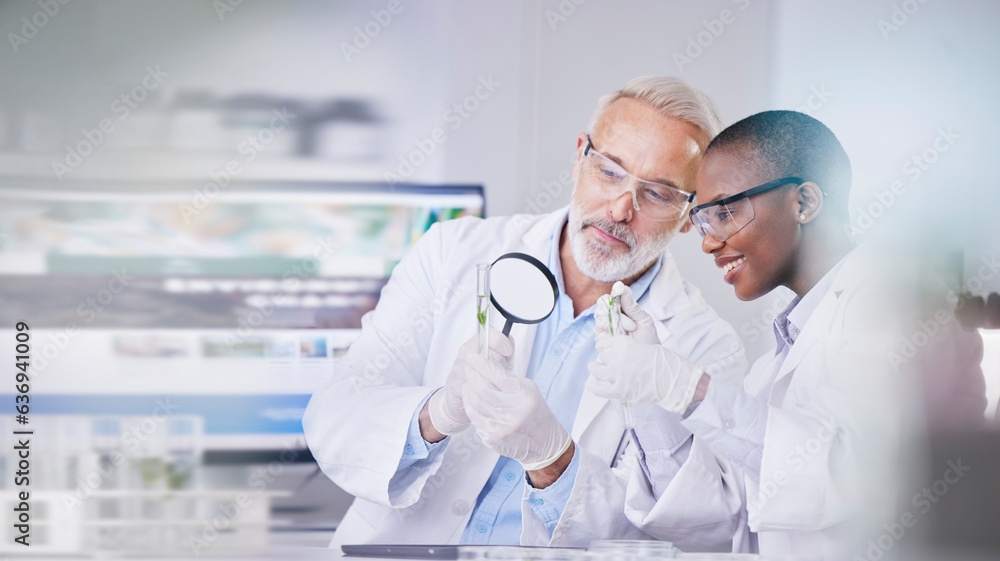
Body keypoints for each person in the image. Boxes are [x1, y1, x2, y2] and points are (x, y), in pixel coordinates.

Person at [302, 76, 748, 549]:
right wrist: (437, 413)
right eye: (610, 171)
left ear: (688, 215)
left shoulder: (705, 348)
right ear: (579, 156)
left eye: (657, 194)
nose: (621, 210)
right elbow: (334, 414)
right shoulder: (452, 253)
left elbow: (696, 535)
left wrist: (555, 463)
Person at [586, 110, 987, 558]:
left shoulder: (896, 301)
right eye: (703, 219)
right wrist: (650, 401)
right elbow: (725, 520)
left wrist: (689, 389)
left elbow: (866, 474)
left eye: (725, 212)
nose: (708, 242)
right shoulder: (774, 365)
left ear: (804, 203)